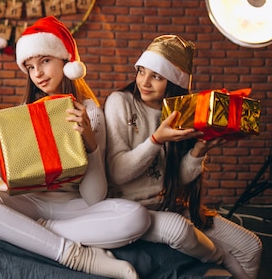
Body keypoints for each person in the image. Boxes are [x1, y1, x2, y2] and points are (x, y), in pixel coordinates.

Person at [0, 16, 150, 279]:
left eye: (45, 61)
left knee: (137, 217)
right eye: (30, 67)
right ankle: (78, 256)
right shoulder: (26, 113)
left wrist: (90, 142)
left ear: (67, 62)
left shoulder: (91, 113)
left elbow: (95, 197)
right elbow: (18, 184)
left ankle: (30, 232)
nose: (37, 73)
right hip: (33, 202)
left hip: (77, 208)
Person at [104, 34, 263, 279]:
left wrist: (199, 150)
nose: (144, 82)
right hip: (134, 210)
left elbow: (177, 180)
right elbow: (117, 173)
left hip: (172, 205)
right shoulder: (120, 102)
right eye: (141, 71)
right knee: (211, 251)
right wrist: (157, 140)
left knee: (252, 247)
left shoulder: (182, 111)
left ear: (173, 82)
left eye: (156, 76)